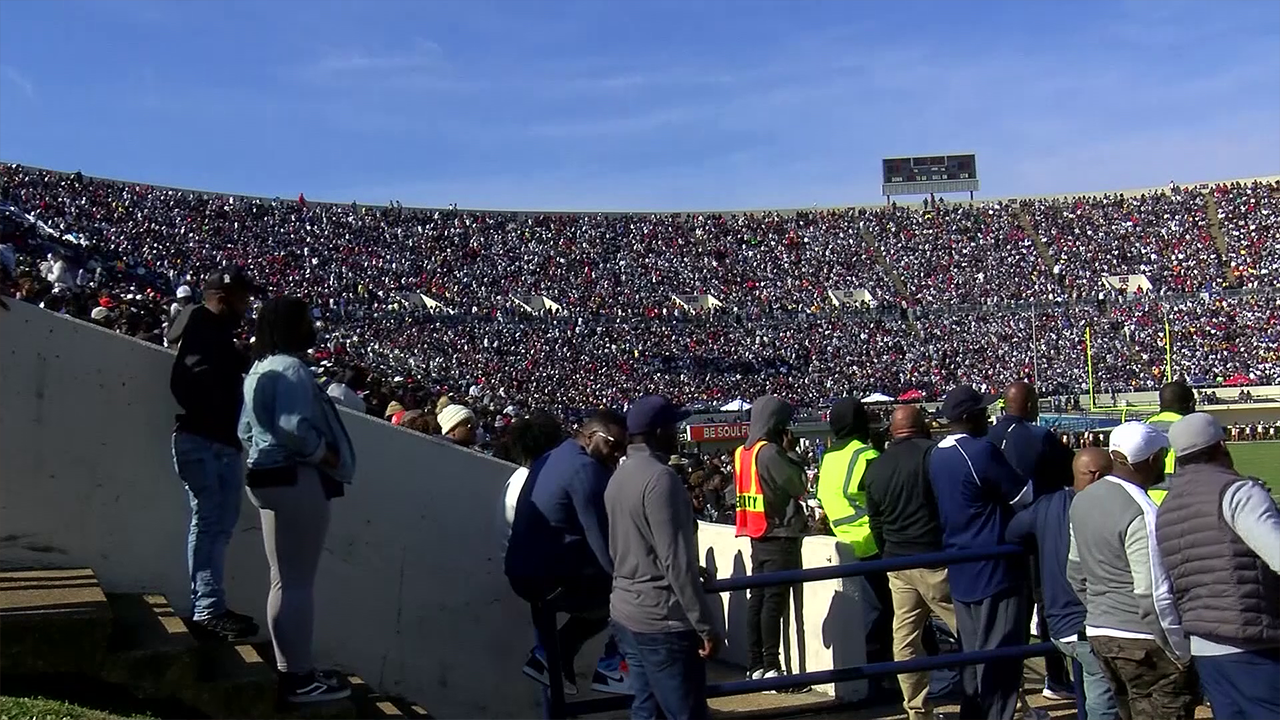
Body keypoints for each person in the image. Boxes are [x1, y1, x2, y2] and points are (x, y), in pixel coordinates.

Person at [240, 296, 357, 704]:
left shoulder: (258, 369)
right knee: (298, 583)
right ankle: (299, 679)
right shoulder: (290, 369)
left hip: (264, 476)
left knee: (283, 578)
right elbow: (293, 430)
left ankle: (294, 669)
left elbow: (244, 430)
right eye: (307, 318)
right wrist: (325, 455)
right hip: (295, 478)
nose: (314, 325)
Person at [1155, 413, 1280, 720]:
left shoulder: (1166, 506)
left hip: (1203, 645)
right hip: (1252, 641)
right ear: (1222, 445)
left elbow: (1160, 587)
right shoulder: (1237, 491)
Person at [1068, 422, 1196, 720]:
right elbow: (1153, 593)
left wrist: (1102, 611)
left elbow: (1075, 572)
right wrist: (1180, 651)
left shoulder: (1083, 499)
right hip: (1144, 639)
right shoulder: (1143, 511)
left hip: (1101, 633)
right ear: (1152, 459)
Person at [606, 395, 719, 720]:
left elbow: (636, 547)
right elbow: (675, 562)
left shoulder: (619, 476)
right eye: (673, 426)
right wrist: (706, 626)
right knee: (685, 714)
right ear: (658, 432)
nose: (678, 433)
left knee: (646, 710)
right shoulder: (661, 479)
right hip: (662, 622)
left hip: (627, 613)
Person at [505, 410, 632, 696]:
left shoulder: (557, 454)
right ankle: (613, 664)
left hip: (524, 572)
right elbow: (605, 546)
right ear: (590, 436)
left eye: (624, 448)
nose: (617, 454)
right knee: (630, 594)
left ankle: (552, 658)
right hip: (549, 578)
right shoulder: (585, 470)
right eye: (613, 444)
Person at [928, 385, 1033, 720]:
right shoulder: (980, 452)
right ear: (969, 417)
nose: (988, 415)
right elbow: (1024, 498)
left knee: (973, 657)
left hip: (962, 567)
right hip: (996, 568)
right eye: (982, 411)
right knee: (1001, 660)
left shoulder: (936, 455)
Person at [167, 266, 259, 639]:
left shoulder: (207, 328)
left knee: (217, 527)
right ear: (223, 298)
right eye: (242, 299)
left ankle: (211, 604)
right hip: (205, 439)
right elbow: (190, 379)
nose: (246, 306)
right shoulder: (202, 327)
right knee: (210, 526)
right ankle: (207, 608)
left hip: (214, 441)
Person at [1008, 447, 1120, 720]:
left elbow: (1013, 533)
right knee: (1106, 704)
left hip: (1059, 627)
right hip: (1095, 627)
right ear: (1098, 476)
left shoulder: (1048, 505)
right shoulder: (1114, 507)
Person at [863, 405, 957, 720]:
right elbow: (951, 505)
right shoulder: (934, 455)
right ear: (924, 427)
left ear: (892, 431)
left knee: (905, 640)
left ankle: (917, 711)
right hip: (934, 559)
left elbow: (874, 520)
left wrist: (887, 552)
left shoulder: (876, 466)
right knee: (974, 633)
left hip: (897, 563)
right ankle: (1007, 705)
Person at [987, 381, 1075, 701]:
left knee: (1012, 613)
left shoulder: (987, 438)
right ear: (1028, 405)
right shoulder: (1039, 437)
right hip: (1036, 533)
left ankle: (1012, 684)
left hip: (998, 535)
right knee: (1046, 604)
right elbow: (1068, 474)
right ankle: (1056, 676)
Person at [814, 398, 894, 690]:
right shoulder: (867, 454)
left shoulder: (828, 459)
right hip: (873, 547)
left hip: (842, 546)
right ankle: (885, 676)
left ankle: (876, 672)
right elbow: (885, 501)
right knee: (893, 613)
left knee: (871, 616)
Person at [734, 395, 808, 686]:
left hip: (756, 534)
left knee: (758, 600)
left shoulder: (743, 452)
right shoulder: (771, 453)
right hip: (779, 536)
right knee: (773, 604)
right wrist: (791, 453)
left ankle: (755, 665)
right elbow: (799, 486)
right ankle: (771, 666)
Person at [1144, 381, 1195, 505]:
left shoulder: (1144, 425)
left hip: (1146, 500)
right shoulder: (1193, 427)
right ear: (1192, 404)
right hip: (1179, 500)